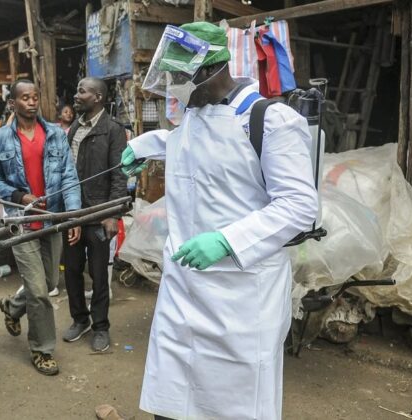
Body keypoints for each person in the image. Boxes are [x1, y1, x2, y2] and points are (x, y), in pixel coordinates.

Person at [121, 22, 318, 420]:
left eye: (179, 78)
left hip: (241, 297)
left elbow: (299, 205)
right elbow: (187, 144)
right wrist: (143, 145)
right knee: (174, 397)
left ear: (210, 71)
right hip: (184, 287)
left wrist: (227, 241)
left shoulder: (270, 120)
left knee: (233, 404)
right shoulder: (197, 115)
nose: (174, 87)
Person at [0, 79, 81, 376]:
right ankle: (43, 350)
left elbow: (68, 175)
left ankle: (13, 306)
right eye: (24, 98)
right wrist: (19, 196)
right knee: (39, 292)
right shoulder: (0, 139)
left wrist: (74, 214)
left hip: (52, 220)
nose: (31, 101)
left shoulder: (54, 134)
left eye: (35, 97)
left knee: (50, 282)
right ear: (12, 104)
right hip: (22, 223)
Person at [62, 77, 127, 352]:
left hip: (100, 213)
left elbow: (119, 174)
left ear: (98, 97)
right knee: (71, 270)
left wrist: (112, 214)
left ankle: (101, 326)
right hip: (74, 213)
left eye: (82, 91)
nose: (76, 95)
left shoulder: (113, 130)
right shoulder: (73, 128)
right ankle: (80, 319)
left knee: (99, 274)